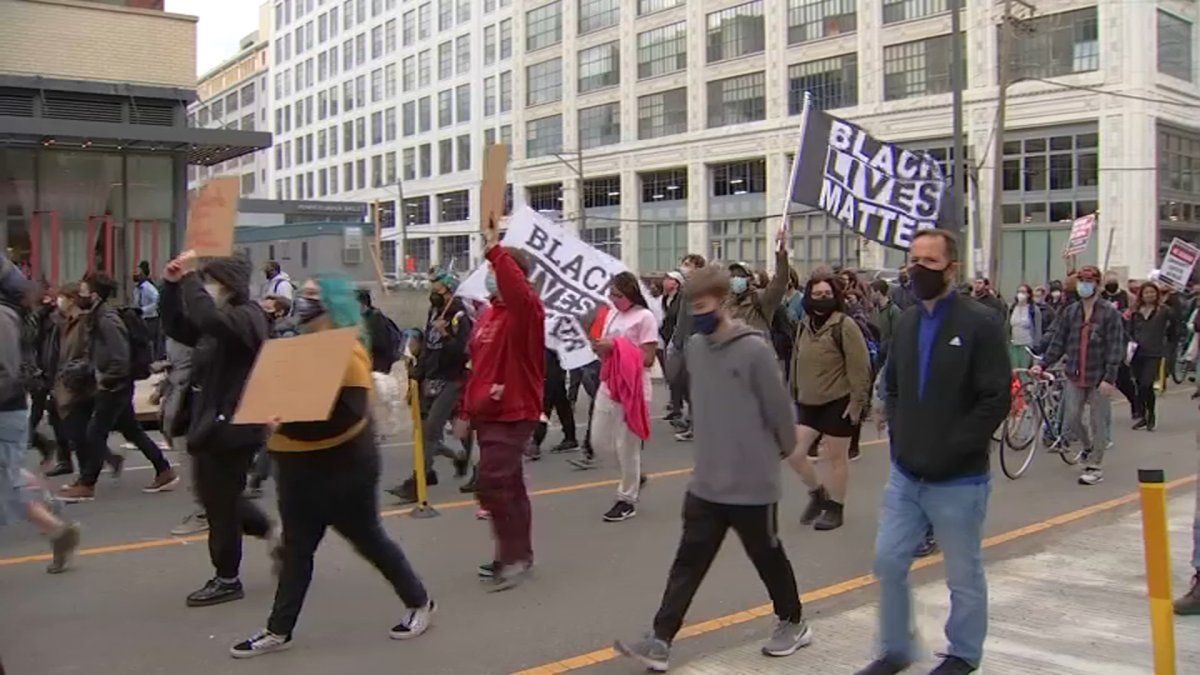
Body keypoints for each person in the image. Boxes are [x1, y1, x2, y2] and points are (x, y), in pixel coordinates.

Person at [615, 265, 810, 672]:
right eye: (691, 306)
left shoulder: (755, 349)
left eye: (703, 306)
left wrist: (773, 454)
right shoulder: (697, 348)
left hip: (753, 486)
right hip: (706, 482)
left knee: (767, 556)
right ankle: (661, 639)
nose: (697, 314)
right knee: (689, 561)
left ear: (723, 302)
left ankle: (792, 621)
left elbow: (779, 413)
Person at [230, 274, 435, 659]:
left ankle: (420, 601)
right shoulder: (292, 347)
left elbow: (346, 415)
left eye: (312, 297)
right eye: (303, 296)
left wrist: (284, 420)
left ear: (333, 305)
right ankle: (279, 630)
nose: (304, 303)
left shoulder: (348, 353)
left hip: (342, 469)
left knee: (369, 540)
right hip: (295, 468)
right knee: (296, 550)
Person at [857, 229, 1010, 675]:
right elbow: (896, 387)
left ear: (951, 269)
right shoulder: (905, 322)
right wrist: (902, 438)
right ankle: (896, 649)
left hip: (960, 479)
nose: (918, 269)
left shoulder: (979, 323)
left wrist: (956, 446)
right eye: (914, 259)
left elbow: (994, 398)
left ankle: (963, 654)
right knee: (888, 560)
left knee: (963, 574)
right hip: (908, 475)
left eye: (930, 261)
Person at [160, 251, 277, 607]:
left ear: (228, 284)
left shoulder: (247, 317)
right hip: (212, 422)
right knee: (217, 497)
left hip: (234, 426)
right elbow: (178, 325)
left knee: (220, 504)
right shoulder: (224, 317)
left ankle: (227, 577)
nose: (207, 287)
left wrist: (191, 277)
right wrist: (170, 284)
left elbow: (207, 320)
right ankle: (271, 532)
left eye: (212, 281)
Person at [464, 231, 545, 591]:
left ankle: (511, 557)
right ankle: (518, 554)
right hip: (487, 413)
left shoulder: (525, 312)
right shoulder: (486, 316)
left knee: (493, 481)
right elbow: (479, 366)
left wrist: (497, 251)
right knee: (508, 485)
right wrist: (466, 412)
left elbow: (517, 291)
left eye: (496, 270)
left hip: (516, 411)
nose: (490, 274)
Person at [57, 273, 177, 501]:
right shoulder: (97, 315)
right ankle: (165, 471)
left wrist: (107, 378)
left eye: (82, 290)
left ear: (93, 294)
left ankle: (86, 484)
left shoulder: (107, 319)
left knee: (95, 433)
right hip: (113, 383)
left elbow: (119, 355)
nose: (79, 295)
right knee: (131, 430)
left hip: (114, 386)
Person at [0, 254, 81, 574]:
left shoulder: (2, 317)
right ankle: (55, 519)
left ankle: (57, 528)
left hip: (5, 412)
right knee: (9, 475)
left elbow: (5, 374)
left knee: (4, 483)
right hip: (10, 411)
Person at [787, 272, 872, 531]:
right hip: (808, 402)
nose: (822, 299)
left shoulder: (844, 325)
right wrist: (793, 391)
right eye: (817, 295)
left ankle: (836, 508)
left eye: (827, 294)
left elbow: (860, 365)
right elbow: (796, 360)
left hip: (838, 401)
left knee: (837, 458)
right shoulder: (804, 324)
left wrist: (857, 402)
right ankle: (818, 494)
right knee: (794, 453)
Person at [1034, 265, 1125, 486]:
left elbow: (1115, 346)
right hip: (1075, 372)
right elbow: (1059, 342)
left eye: (1089, 280)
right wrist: (1043, 364)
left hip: (1099, 375)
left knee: (1098, 421)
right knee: (1072, 418)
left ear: (1098, 284)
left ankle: (1095, 465)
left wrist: (1110, 377)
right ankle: (1087, 447)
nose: (1085, 284)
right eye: (1082, 280)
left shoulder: (1109, 313)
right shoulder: (1071, 312)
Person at [388, 273, 473, 502]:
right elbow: (427, 344)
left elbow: (464, 351)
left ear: (448, 289)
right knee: (425, 429)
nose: (433, 290)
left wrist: (446, 334)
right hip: (432, 377)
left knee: (432, 429)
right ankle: (456, 456)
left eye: (437, 286)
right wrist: (418, 372)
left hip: (452, 379)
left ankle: (418, 482)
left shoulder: (459, 316)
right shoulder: (434, 311)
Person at [589, 272, 657, 522]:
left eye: (618, 295)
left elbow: (648, 357)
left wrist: (616, 347)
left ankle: (626, 499)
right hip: (610, 383)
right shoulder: (612, 314)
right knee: (599, 442)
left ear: (630, 294)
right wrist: (600, 348)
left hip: (633, 387)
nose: (613, 299)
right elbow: (607, 347)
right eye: (611, 294)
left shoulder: (645, 316)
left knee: (627, 446)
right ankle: (634, 476)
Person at [666, 254, 708, 443]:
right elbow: (680, 319)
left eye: (688, 265)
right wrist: (676, 339)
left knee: (694, 385)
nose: (684, 268)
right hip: (681, 342)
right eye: (684, 264)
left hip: (697, 343)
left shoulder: (703, 290)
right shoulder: (685, 290)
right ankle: (693, 418)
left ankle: (696, 423)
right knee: (676, 379)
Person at [1129, 282, 1175, 432]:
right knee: (1138, 385)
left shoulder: (1164, 311)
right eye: (1146, 292)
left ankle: (1151, 415)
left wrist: (1169, 343)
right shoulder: (1135, 311)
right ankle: (1143, 415)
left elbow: (1175, 326)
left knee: (1146, 384)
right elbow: (1128, 329)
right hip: (1137, 352)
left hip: (1154, 353)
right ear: (1141, 295)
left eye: (1152, 292)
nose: (1149, 295)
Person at [726, 233, 791, 334]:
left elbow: (779, 283)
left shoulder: (760, 298)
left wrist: (781, 255)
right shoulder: (726, 303)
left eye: (740, 275)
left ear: (750, 279)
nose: (735, 279)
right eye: (732, 276)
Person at [659, 271, 684, 422]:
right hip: (667, 338)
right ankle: (675, 406)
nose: (665, 281)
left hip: (677, 339)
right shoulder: (665, 298)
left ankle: (680, 407)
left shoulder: (681, 299)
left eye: (669, 279)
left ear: (676, 283)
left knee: (678, 374)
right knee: (671, 374)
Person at [1008, 284, 1045, 368]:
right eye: (1019, 292)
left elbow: (1038, 330)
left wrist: (1036, 347)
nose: (1020, 294)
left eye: (1023, 292)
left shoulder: (1034, 310)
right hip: (1014, 345)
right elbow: (1008, 326)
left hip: (1027, 346)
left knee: (1024, 371)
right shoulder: (1012, 308)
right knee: (1014, 370)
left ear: (1028, 294)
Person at [132, 261, 161, 360]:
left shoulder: (148, 287)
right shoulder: (137, 288)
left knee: (149, 341)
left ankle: (152, 359)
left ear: (143, 274)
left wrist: (144, 310)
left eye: (138, 273)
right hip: (141, 318)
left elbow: (157, 300)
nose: (135, 275)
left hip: (150, 318)